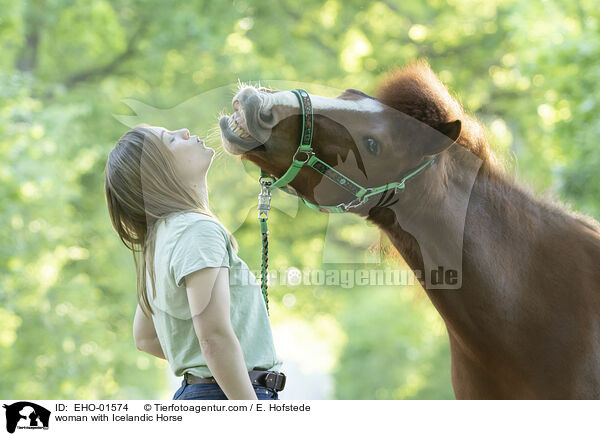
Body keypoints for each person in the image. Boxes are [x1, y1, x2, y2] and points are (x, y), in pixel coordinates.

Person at [104, 125, 285, 400]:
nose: (185, 131)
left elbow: (145, 337)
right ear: (159, 173)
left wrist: (203, 362)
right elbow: (213, 337)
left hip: (204, 392)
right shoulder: (197, 230)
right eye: (171, 139)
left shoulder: (160, 240)